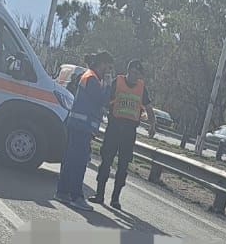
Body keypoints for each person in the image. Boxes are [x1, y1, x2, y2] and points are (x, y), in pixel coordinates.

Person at [93, 58, 156, 209]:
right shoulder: (117, 82)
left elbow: (148, 108)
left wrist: (152, 124)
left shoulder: (142, 88)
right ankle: (99, 194)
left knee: (123, 166)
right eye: (133, 72)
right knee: (106, 161)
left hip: (129, 132)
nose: (135, 76)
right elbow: (105, 99)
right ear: (128, 71)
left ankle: (115, 199)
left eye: (138, 74)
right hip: (114, 128)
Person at [55, 51, 113, 205]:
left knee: (70, 159)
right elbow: (102, 100)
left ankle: (63, 192)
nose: (109, 71)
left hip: (78, 125)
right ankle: (76, 196)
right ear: (102, 64)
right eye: (108, 66)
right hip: (82, 126)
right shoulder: (92, 78)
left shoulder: (89, 76)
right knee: (79, 162)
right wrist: (107, 85)